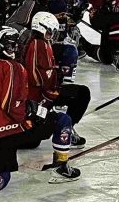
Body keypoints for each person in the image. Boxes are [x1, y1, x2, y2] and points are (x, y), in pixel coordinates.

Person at [0, 27, 80, 202]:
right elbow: (11, 104)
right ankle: (61, 168)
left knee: (2, 177)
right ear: (1, 46)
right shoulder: (14, 67)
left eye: (16, 45)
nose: (14, 49)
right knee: (63, 120)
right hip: (15, 127)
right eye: (10, 46)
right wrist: (32, 113)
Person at [22, 12, 90, 149]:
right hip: (39, 96)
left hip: (47, 92)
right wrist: (54, 76)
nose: (52, 34)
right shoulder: (36, 44)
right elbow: (35, 76)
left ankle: (68, 127)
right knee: (32, 142)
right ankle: (63, 126)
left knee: (81, 93)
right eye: (50, 30)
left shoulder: (43, 43)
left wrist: (55, 74)